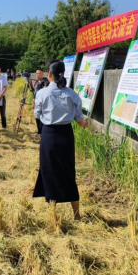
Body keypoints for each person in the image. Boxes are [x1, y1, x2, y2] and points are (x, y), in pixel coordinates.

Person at [33, 60, 89, 219]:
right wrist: (85, 123)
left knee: (49, 171)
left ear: (49, 74)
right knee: (69, 172)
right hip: (66, 135)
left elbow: (37, 114)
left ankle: (54, 215)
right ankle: (77, 215)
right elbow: (80, 119)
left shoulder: (42, 93)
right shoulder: (71, 93)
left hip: (49, 135)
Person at [31, 69, 49, 135]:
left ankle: (42, 132)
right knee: (37, 116)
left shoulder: (45, 82)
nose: (37, 75)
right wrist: (33, 101)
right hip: (36, 102)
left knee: (42, 118)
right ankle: (39, 131)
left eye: (39, 73)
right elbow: (34, 93)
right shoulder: (36, 82)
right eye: (36, 73)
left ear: (42, 74)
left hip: (43, 103)